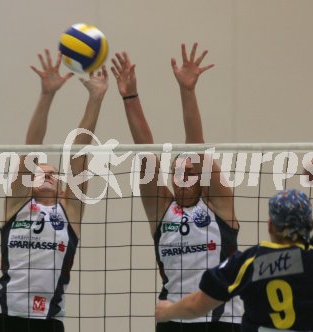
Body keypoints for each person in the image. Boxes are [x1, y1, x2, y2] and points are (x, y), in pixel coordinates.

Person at [111, 43, 243, 332]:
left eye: (190, 170)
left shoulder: (219, 205)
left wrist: (187, 91)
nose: (183, 172)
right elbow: (146, 153)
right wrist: (130, 97)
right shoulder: (162, 210)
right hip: (173, 318)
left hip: (221, 321)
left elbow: (196, 146)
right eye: (177, 170)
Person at [0, 49, 108, 332]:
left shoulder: (70, 211)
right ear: (29, 182)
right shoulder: (17, 205)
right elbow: (32, 146)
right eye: (42, 171)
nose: (48, 173)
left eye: (54, 173)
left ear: (63, 186)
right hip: (3, 319)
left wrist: (95, 98)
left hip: (48, 322)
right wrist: (47, 95)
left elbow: (79, 151)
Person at [155, 159, 313, 332]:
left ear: (270, 225)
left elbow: (197, 305)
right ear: (311, 224)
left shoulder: (250, 263)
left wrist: (167, 311)